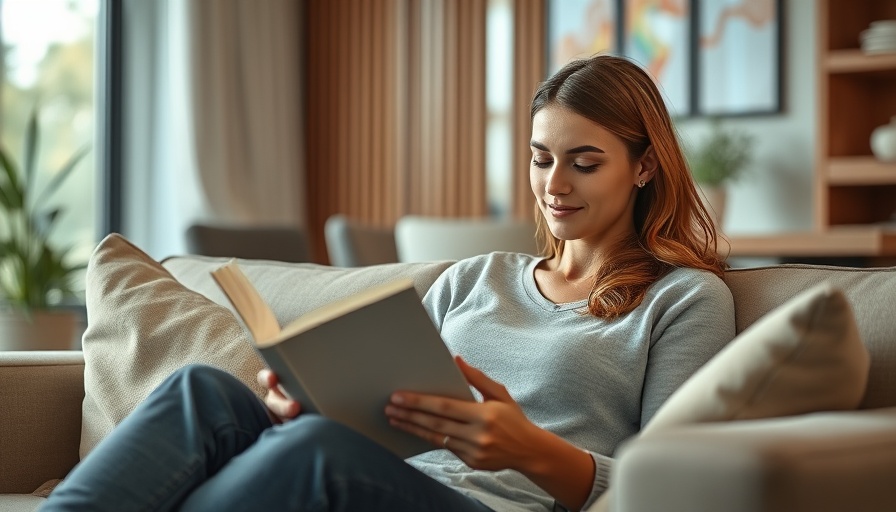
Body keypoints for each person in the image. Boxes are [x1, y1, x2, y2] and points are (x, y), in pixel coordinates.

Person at [40, 54, 735, 512]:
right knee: (204, 391)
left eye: (585, 162)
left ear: (643, 167)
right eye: (541, 158)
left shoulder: (684, 300)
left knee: (317, 455)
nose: (555, 185)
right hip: (384, 480)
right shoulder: (475, 279)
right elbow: (385, 413)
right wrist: (309, 400)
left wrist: (529, 447)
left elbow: (672, 491)